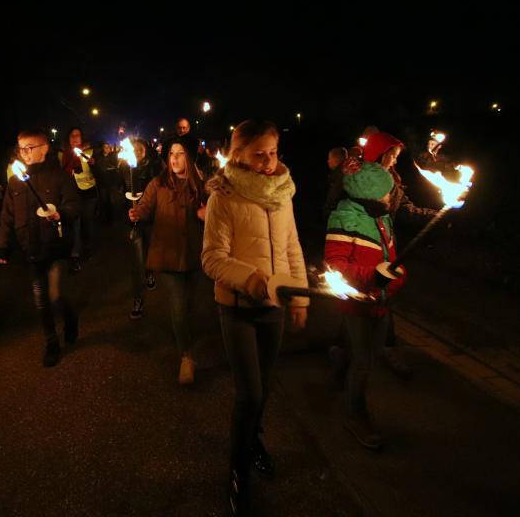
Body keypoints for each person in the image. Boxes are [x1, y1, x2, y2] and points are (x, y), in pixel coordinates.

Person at [202, 119, 309, 515]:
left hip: (274, 309)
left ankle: (254, 438)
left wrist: (299, 299)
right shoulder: (224, 197)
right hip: (238, 309)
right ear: (238, 154)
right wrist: (252, 279)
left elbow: (292, 247)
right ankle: (237, 470)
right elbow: (212, 258)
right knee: (249, 394)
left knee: (264, 388)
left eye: (273, 152)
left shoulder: (283, 194)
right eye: (258, 153)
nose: (267, 161)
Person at [325, 158, 406, 449]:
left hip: (381, 303)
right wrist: (373, 276)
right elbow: (334, 266)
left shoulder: (383, 219)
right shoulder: (345, 217)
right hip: (357, 305)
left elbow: (393, 260)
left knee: (366, 353)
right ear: (369, 193)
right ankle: (355, 414)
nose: (389, 197)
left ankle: (338, 358)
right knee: (364, 362)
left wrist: (394, 279)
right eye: (385, 192)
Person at [0, 128, 80, 367]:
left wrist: (60, 213)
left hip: (56, 247)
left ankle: (70, 319)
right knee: (40, 300)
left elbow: (74, 205)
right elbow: (7, 215)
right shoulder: (15, 181)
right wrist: (3, 245)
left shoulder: (60, 177)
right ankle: (51, 342)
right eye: (21, 149)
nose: (25, 153)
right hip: (30, 249)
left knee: (56, 295)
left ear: (45, 148)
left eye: (30, 148)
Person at [360, 131, 437, 379]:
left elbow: (405, 210)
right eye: (391, 155)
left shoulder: (393, 180)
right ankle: (352, 349)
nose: (394, 161)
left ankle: (380, 346)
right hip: (363, 245)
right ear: (378, 154)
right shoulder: (359, 179)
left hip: (385, 246)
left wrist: (433, 215)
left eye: (395, 156)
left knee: (381, 296)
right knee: (363, 296)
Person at [129, 136, 206, 382]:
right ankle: (186, 356)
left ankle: (186, 335)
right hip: (169, 253)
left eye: (180, 153)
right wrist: (136, 212)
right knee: (178, 305)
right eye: (171, 153)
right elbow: (145, 207)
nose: (174, 158)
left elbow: (215, 212)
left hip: (195, 253)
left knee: (191, 304)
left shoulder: (202, 185)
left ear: (190, 157)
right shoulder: (158, 183)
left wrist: (208, 213)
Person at [120, 138, 162, 319]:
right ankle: (137, 298)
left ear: (146, 150)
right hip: (134, 221)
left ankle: (150, 272)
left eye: (140, 149)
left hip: (151, 219)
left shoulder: (154, 167)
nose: (136, 152)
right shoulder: (124, 168)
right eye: (134, 149)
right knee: (136, 260)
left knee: (149, 251)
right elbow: (119, 188)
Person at [60, 127, 97, 273]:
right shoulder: (63, 155)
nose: (75, 138)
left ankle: (88, 249)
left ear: (83, 137)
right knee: (74, 226)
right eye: (72, 135)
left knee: (87, 223)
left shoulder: (89, 152)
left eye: (78, 135)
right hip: (71, 195)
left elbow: (99, 171)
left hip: (89, 193)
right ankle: (75, 255)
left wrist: (95, 163)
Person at [92, 141, 119, 225]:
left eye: (108, 147)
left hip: (110, 181)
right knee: (103, 200)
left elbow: (116, 166)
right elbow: (95, 167)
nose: (106, 149)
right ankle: (103, 217)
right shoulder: (98, 157)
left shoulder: (113, 156)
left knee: (110, 201)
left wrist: (113, 168)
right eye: (105, 147)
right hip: (101, 181)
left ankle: (110, 218)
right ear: (102, 148)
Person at [322, 146, 349, 219]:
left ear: (335, 159)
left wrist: (327, 213)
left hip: (337, 216)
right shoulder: (349, 172)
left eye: (329, 158)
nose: (328, 161)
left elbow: (334, 197)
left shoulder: (339, 175)